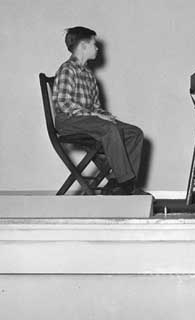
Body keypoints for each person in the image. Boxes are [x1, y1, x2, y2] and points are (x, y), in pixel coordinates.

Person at [52, 26, 144, 195]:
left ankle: (117, 182)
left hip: (87, 120)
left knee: (134, 133)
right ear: (83, 47)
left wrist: (105, 116)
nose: (97, 48)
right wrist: (94, 115)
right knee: (109, 129)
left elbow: (94, 106)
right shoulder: (67, 70)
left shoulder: (88, 75)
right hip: (68, 120)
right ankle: (127, 185)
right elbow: (63, 103)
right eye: (94, 44)